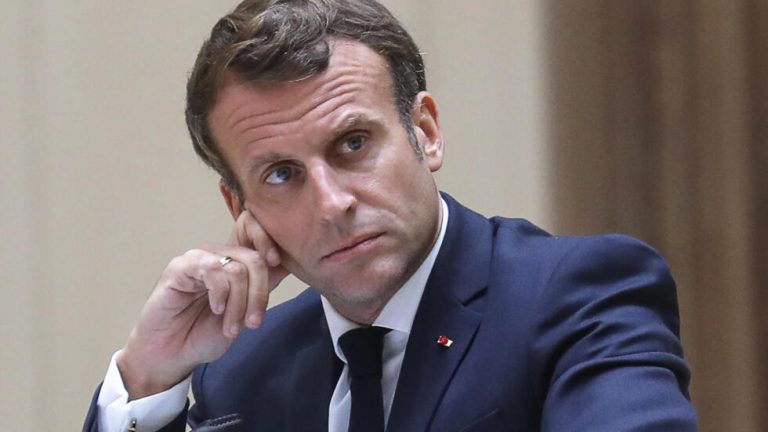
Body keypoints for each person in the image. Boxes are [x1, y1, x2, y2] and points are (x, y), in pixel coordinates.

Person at [84, 0, 697, 431]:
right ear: (239, 207)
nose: (333, 203)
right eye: (282, 175)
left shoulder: (578, 295)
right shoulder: (243, 370)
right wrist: (150, 375)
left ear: (424, 132)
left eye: (352, 144)